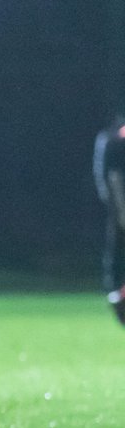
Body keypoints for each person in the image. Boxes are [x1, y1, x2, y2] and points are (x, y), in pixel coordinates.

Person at [93, 114, 125, 325]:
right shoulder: (113, 141)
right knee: (116, 253)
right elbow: (111, 178)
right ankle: (117, 296)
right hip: (119, 208)